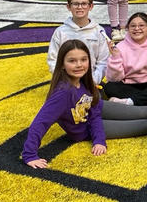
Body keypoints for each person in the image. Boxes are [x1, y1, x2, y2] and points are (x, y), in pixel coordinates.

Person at [23, 40, 106, 168]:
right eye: (72, 61)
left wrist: (99, 138)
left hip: (96, 114)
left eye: (83, 60)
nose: (79, 65)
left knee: (146, 113)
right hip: (85, 130)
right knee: (145, 125)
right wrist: (29, 155)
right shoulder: (63, 93)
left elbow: (95, 114)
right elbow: (41, 122)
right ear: (62, 64)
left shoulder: (84, 81)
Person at [48, 0, 110, 85]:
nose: (80, 7)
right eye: (75, 4)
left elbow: (103, 61)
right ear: (68, 6)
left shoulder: (99, 31)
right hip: (66, 82)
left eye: (84, 3)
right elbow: (53, 60)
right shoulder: (60, 32)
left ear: (91, 6)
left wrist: (93, 81)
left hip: (91, 81)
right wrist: (66, 80)